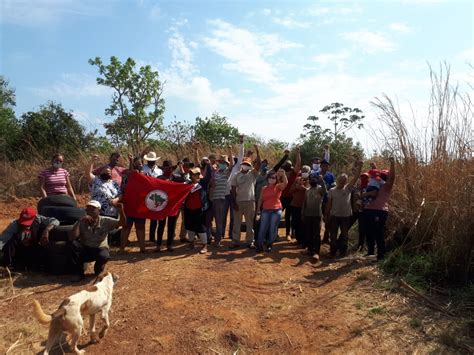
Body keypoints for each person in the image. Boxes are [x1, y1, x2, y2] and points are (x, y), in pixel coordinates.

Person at [69, 200, 125, 281]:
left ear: (99, 211)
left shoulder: (105, 221)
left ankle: (98, 269)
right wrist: (79, 222)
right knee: (72, 244)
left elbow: (122, 223)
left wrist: (121, 211)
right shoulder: (82, 221)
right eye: (88, 209)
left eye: (93, 209)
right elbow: (72, 237)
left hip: (99, 249)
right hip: (86, 249)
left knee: (104, 256)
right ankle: (78, 273)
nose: (89, 212)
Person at [325, 161, 363, 257]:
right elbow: (329, 205)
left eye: (344, 180)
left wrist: (360, 166)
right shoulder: (332, 190)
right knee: (333, 236)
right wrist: (326, 216)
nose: (342, 182)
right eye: (341, 180)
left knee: (344, 236)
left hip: (345, 216)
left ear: (346, 181)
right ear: (337, 180)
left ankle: (343, 253)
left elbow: (356, 177)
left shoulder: (348, 188)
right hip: (334, 216)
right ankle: (332, 252)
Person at [362, 157, 396, 260]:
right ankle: (370, 253)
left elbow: (392, 178)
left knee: (378, 233)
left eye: (383, 176)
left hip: (379, 212)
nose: (381, 177)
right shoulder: (377, 184)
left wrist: (392, 164)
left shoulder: (387, 186)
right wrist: (374, 167)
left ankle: (381, 255)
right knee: (368, 232)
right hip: (368, 210)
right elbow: (375, 175)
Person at [230, 145, 261, 249]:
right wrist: (234, 202)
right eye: (244, 164)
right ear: (242, 164)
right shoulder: (236, 176)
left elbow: (259, 164)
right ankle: (235, 241)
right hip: (239, 201)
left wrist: (257, 151)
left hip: (250, 201)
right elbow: (233, 190)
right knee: (237, 223)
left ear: (250, 165)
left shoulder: (253, 174)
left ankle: (249, 241)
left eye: (248, 164)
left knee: (249, 223)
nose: (245, 166)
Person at [255, 169, 288, 252]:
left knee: (272, 228)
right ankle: (259, 244)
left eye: (274, 178)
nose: (272, 179)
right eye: (270, 177)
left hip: (276, 210)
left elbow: (285, 183)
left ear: (276, 179)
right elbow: (260, 200)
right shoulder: (264, 188)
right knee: (263, 228)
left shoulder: (278, 187)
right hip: (265, 210)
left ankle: (270, 244)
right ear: (267, 178)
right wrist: (258, 211)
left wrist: (283, 175)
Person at [120, 154, 146, 253]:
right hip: (129, 203)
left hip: (140, 204)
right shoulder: (126, 175)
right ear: (133, 164)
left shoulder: (145, 175)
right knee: (126, 226)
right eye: (136, 163)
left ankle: (142, 248)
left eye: (140, 163)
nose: (138, 165)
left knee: (140, 227)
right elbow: (123, 187)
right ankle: (122, 248)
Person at [184, 165, 211, 254]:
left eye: (198, 174)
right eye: (195, 174)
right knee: (190, 227)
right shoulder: (187, 184)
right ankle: (191, 244)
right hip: (189, 209)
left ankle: (204, 245)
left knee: (201, 228)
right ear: (191, 175)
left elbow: (208, 174)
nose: (197, 176)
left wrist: (208, 165)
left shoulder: (203, 183)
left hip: (199, 210)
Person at [208, 150, 234, 247]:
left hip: (220, 199)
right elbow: (211, 184)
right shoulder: (215, 172)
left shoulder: (227, 172)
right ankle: (210, 237)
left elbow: (232, 165)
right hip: (212, 199)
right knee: (209, 220)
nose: (222, 164)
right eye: (221, 162)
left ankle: (217, 240)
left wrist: (230, 151)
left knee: (219, 221)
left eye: (224, 163)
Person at [155, 160, 182, 252]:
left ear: (172, 169)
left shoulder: (176, 177)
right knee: (161, 225)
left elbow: (186, 181)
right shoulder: (159, 178)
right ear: (163, 169)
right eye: (165, 168)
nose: (167, 170)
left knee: (171, 225)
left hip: (172, 205)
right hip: (162, 205)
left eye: (169, 168)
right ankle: (158, 245)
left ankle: (169, 244)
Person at [301, 173, 327, 261]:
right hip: (308, 214)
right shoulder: (307, 190)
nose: (312, 181)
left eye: (314, 179)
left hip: (317, 215)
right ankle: (310, 249)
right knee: (309, 233)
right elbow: (304, 202)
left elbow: (325, 191)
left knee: (316, 234)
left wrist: (322, 180)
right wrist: (302, 213)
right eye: (311, 179)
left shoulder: (319, 189)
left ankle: (316, 252)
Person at [280, 146, 301, 241]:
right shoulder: (281, 173)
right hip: (281, 197)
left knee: (289, 216)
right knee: (277, 215)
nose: (287, 168)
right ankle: (274, 233)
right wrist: (285, 156)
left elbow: (298, 164)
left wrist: (297, 153)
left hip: (291, 197)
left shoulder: (294, 173)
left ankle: (289, 233)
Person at [142, 151, 163, 242]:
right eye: (150, 160)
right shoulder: (143, 169)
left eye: (153, 160)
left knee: (155, 216)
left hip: (156, 194)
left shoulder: (159, 170)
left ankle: (152, 237)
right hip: (145, 194)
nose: (151, 162)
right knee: (144, 217)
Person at [289, 165, 311, 246]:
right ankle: (298, 240)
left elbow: (311, 192)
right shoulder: (297, 179)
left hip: (305, 206)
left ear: (309, 172)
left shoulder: (311, 181)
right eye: (303, 171)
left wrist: (302, 187)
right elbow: (290, 191)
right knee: (295, 223)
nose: (304, 172)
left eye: (306, 171)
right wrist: (297, 187)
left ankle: (304, 242)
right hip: (295, 205)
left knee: (304, 224)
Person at [320, 159, 335, 244]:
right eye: (324, 165)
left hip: (327, 200)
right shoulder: (316, 174)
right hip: (317, 200)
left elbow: (333, 186)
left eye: (327, 166)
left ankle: (326, 237)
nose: (325, 167)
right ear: (321, 166)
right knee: (318, 219)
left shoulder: (331, 175)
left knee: (327, 218)